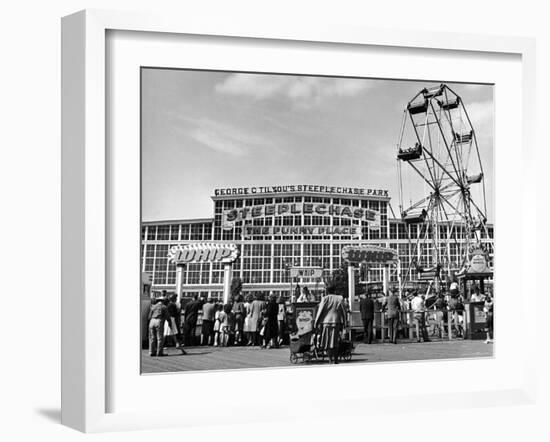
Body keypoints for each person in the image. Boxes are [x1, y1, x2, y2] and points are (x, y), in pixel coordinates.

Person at [313, 283, 347, 364]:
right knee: (335, 342)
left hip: (326, 323)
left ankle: (330, 359)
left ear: (327, 291)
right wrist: (345, 322)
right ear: (334, 290)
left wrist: (316, 322)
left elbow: (320, 311)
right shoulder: (339, 298)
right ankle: (335, 359)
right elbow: (344, 311)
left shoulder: (324, 299)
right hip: (336, 322)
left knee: (327, 342)